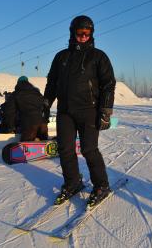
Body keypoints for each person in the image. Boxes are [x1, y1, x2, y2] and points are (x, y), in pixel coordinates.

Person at [44, 15, 116, 207]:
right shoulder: (61, 57)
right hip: (66, 111)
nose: (84, 36)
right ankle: (72, 182)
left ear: (91, 34)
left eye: (87, 33)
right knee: (65, 149)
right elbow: (52, 82)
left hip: (89, 111)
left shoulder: (98, 56)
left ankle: (101, 185)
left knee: (88, 149)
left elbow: (109, 84)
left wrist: (106, 110)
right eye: (80, 32)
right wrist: (45, 104)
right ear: (72, 33)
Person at [2, 76, 48, 141]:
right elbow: (46, 107)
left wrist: (10, 128)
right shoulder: (37, 93)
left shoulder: (15, 94)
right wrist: (46, 120)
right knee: (45, 145)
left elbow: (9, 112)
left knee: (26, 147)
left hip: (29, 125)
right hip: (43, 125)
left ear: (18, 84)